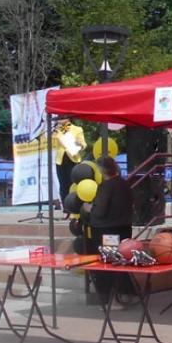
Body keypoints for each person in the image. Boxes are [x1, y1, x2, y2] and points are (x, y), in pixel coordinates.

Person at [83, 156, 132, 309]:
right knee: (121, 261)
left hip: (107, 230)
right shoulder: (124, 184)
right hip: (124, 228)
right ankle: (124, 294)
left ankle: (110, 300)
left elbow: (100, 211)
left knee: (108, 265)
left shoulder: (106, 186)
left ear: (101, 170)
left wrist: (89, 209)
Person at [52, 118, 86, 205]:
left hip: (73, 159)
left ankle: (74, 205)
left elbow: (84, 144)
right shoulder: (56, 131)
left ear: (68, 119)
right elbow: (52, 144)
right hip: (60, 160)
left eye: (62, 118)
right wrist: (54, 132)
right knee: (63, 185)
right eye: (59, 118)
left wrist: (80, 144)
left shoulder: (77, 129)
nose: (59, 120)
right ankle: (65, 206)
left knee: (73, 184)